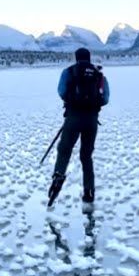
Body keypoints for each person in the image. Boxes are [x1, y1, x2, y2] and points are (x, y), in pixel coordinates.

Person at [47, 48, 109, 207]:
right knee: (86, 156)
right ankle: (89, 191)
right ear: (89, 58)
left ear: (76, 58)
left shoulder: (69, 72)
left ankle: (58, 179)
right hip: (91, 120)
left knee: (64, 150)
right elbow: (105, 98)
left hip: (73, 118)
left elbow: (61, 91)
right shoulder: (98, 74)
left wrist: (73, 102)